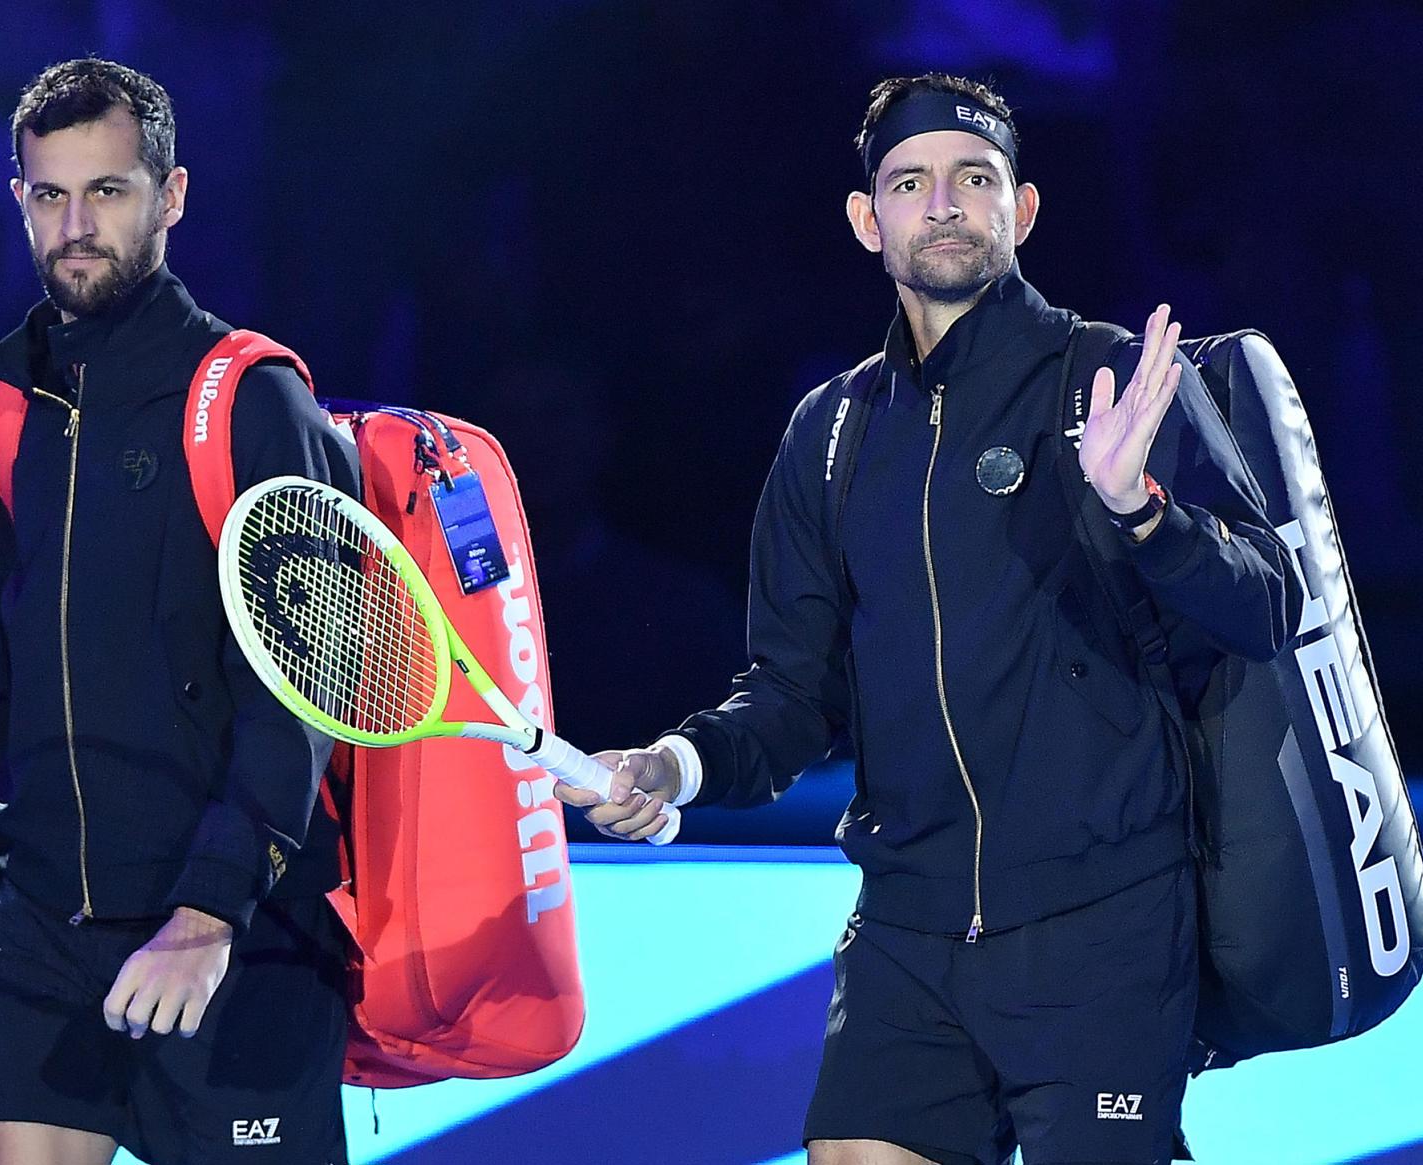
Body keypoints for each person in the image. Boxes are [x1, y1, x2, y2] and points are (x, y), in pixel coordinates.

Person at [558, 73, 1303, 1165]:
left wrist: (1138, 510)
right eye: (910, 182)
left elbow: (1268, 607)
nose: (943, 202)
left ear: (1023, 208)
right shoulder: (831, 431)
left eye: (974, 179)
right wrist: (678, 765)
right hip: (908, 930)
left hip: (1101, 924)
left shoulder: (1113, 378)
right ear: (870, 220)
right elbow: (790, 692)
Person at [0, 58, 357, 1165]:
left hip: (241, 941)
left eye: (107, 191)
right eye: (50, 194)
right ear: (18, 199)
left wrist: (208, 915)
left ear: (172, 196)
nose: (77, 224)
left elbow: (307, 692)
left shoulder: (257, 400)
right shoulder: (4, 410)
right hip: (45, 940)